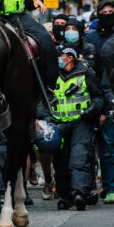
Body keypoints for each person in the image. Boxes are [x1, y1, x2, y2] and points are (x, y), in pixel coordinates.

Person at [42, 46, 103, 211]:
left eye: (61, 56)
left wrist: (93, 110)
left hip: (81, 122)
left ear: (70, 58)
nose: (58, 59)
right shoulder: (51, 77)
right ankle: (65, 195)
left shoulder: (86, 74)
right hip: (59, 124)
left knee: (80, 156)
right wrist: (46, 117)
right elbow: (42, 100)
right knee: (61, 161)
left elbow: (98, 96)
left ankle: (79, 193)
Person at [84, 1, 114, 205]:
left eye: (110, 12)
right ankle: (87, 187)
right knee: (88, 147)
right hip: (92, 96)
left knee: (109, 146)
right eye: (103, 12)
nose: (107, 15)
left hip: (113, 96)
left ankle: (111, 187)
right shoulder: (91, 39)